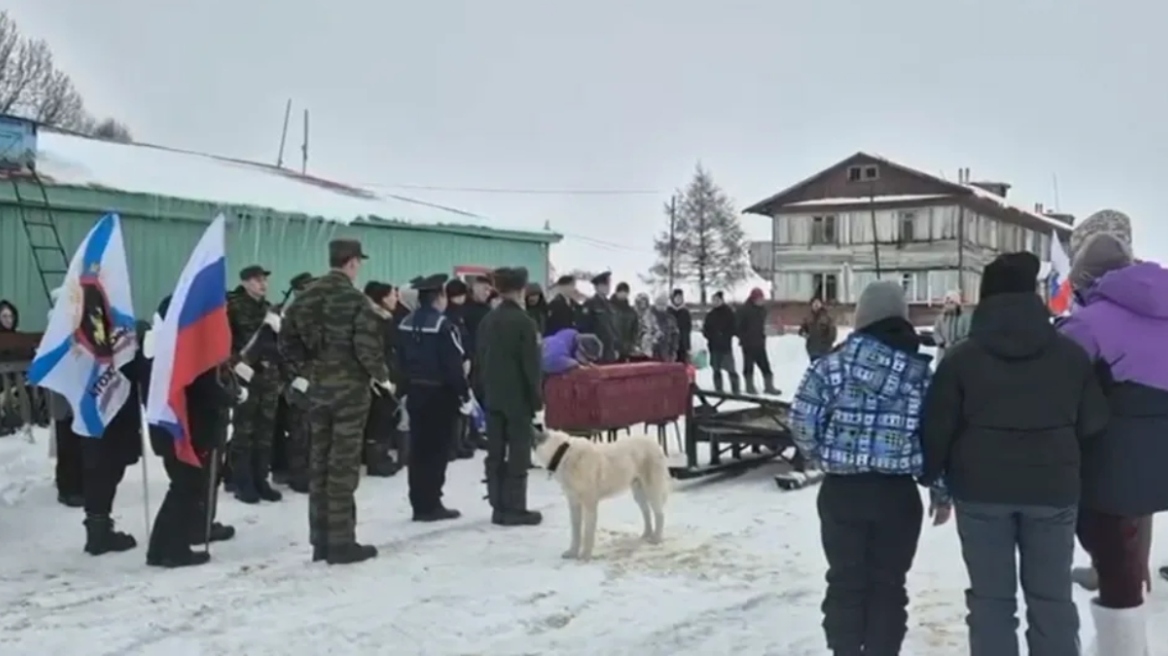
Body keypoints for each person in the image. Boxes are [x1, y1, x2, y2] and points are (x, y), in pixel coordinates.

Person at [919, 252, 1108, 656]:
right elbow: (1094, 423)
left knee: (991, 602)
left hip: (980, 491)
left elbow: (937, 428)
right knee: (1051, 599)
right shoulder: (1071, 356)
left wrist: (932, 475)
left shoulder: (960, 359)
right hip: (1054, 490)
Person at [790, 280, 948, 656]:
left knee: (845, 582)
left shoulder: (830, 367)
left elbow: (801, 419)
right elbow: (937, 438)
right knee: (889, 586)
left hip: (843, 493)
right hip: (897, 497)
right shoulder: (920, 376)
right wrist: (941, 492)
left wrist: (819, 453)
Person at [1058, 228, 1168, 655]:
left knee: (1114, 560)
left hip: (1113, 466)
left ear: (1086, 278)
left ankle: (1122, 648)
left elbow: (1061, 385)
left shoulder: (1087, 324)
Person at [280, 238, 391, 565]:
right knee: (342, 466)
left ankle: (321, 540)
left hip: (317, 390)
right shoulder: (356, 301)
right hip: (350, 392)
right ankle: (341, 543)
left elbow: (286, 342)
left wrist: (305, 370)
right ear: (353, 262)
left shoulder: (304, 299)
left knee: (320, 463)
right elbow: (367, 350)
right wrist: (383, 377)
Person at [144, 295, 241, 568]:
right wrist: (233, 395)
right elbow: (205, 389)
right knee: (187, 488)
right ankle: (173, 549)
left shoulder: (162, 346)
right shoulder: (186, 350)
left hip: (169, 428)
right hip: (188, 430)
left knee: (182, 488)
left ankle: (161, 547)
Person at [397, 273, 470, 523]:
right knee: (437, 451)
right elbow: (453, 365)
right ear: (439, 297)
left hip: (415, 392)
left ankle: (418, 502)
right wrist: (464, 393)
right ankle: (432, 503)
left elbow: (399, 360)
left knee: (417, 450)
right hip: (440, 394)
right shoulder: (443, 325)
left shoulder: (405, 322)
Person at [476, 267, 544, 526]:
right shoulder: (525, 323)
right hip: (517, 399)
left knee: (495, 452)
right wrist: (536, 399)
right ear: (520, 290)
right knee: (517, 452)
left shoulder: (488, 320)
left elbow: (480, 359)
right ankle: (515, 507)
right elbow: (531, 366)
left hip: (492, 397)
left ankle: (497, 505)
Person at [79, 319, 148, 556]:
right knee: (105, 473)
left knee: (101, 472)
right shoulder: (116, 340)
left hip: (95, 416)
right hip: (112, 417)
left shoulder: (91, 335)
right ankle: (98, 534)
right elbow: (138, 374)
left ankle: (98, 528)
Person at [226, 264, 283, 504]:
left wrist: (278, 329)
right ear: (246, 282)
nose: (263, 284)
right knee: (244, 432)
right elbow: (224, 342)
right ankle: (242, 482)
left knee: (265, 432)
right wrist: (236, 364)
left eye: (265, 280)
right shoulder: (233, 307)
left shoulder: (268, 309)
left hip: (268, 378)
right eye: (258, 280)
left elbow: (277, 345)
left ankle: (261, 479)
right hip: (245, 377)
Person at [361, 282, 404, 477]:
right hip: (378, 379)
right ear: (383, 298)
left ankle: (379, 457)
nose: (396, 298)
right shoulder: (376, 320)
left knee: (386, 417)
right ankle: (376, 461)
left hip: (387, 374)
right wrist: (380, 377)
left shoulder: (386, 319)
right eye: (393, 295)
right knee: (379, 420)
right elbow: (375, 351)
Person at [443, 278, 477, 460]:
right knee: (457, 407)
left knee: (463, 407)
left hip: (464, 362)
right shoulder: (451, 315)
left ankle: (460, 441)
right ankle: (453, 445)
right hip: (458, 364)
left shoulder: (458, 313)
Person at [738, 288, 778, 395]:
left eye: (762, 298)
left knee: (765, 365)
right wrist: (744, 338)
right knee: (748, 366)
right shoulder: (744, 310)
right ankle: (749, 386)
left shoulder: (762, 310)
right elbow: (738, 327)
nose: (761, 301)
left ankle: (769, 386)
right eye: (759, 299)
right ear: (753, 299)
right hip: (748, 344)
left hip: (759, 342)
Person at [701, 291, 740, 394]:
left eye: (717, 300)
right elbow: (705, 330)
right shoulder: (710, 315)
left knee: (731, 369)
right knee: (716, 369)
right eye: (713, 300)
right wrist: (711, 336)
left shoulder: (729, 313)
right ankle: (718, 389)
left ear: (722, 300)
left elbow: (734, 328)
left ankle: (735, 389)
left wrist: (725, 335)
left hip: (726, 346)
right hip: (714, 346)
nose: (715, 302)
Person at [581, 272, 618, 362]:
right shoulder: (590, 304)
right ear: (597, 287)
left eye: (609, 284)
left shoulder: (610, 305)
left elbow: (614, 327)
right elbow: (584, 328)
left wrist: (617, 347)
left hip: (610, 350)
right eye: (605, 285)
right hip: (596, 349)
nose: (608, 287)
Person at [931, 290, 971, 362]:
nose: (949, 305)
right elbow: (936, 331)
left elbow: (968, 334)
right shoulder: (941, 318)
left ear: (957, 304)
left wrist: (957, 345)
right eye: (947, 303)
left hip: (959, 353)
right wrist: (941, 342)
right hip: (944, 352)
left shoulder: (965, 318)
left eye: (951, 302)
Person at [798, 296, 838, 363]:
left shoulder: (826, 317)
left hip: (824, 350)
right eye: (814, 303)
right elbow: (801, 331)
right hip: (812, 350)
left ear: (821, 304)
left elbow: (832, 332)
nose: (816, 305)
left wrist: (828, 343)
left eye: (817, 303)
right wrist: (805, 334)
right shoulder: (808, 318)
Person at [610, 282, 640, 360]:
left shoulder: (631, 312)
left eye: (626, 292)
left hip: (627, 349)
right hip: (611, 348)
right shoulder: (609, 308)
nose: (623, 294)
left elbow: (635, 329)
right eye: (621, 292)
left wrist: (632, 344)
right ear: (617, 292)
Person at [669, 289, 692, 364]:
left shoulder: (685, 312)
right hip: (670, 343)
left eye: (680, 298)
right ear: (673, 298)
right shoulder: (669, 311)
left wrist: (687, 346)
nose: (679, 300)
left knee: (682, 365)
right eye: (677, 298)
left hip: (682, 343)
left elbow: (688, 329)